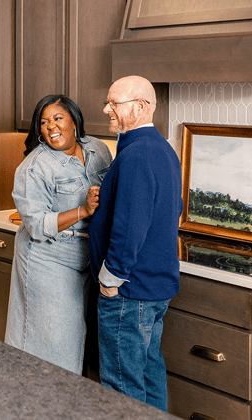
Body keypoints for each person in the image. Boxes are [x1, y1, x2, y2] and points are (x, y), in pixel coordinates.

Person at [88, 75, 183, 410]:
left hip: (129, 290)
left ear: (141, 107)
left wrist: (110, 279)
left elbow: (130, 226)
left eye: (115, 103)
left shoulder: (137, 154)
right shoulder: (161, 149)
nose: (106, 109)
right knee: (147, 374)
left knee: (121, 386)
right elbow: (173, 209)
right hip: (153, 288)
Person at [5, 95, 113, 374]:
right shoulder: (34, 167)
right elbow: (37, 225)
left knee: (79, 339)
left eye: (57, 118)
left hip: (87, 257)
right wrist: (83, 210)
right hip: (47, 259)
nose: (51, 127)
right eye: (43, 122)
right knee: (53, 345)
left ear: (74, 121)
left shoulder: (98, 150)